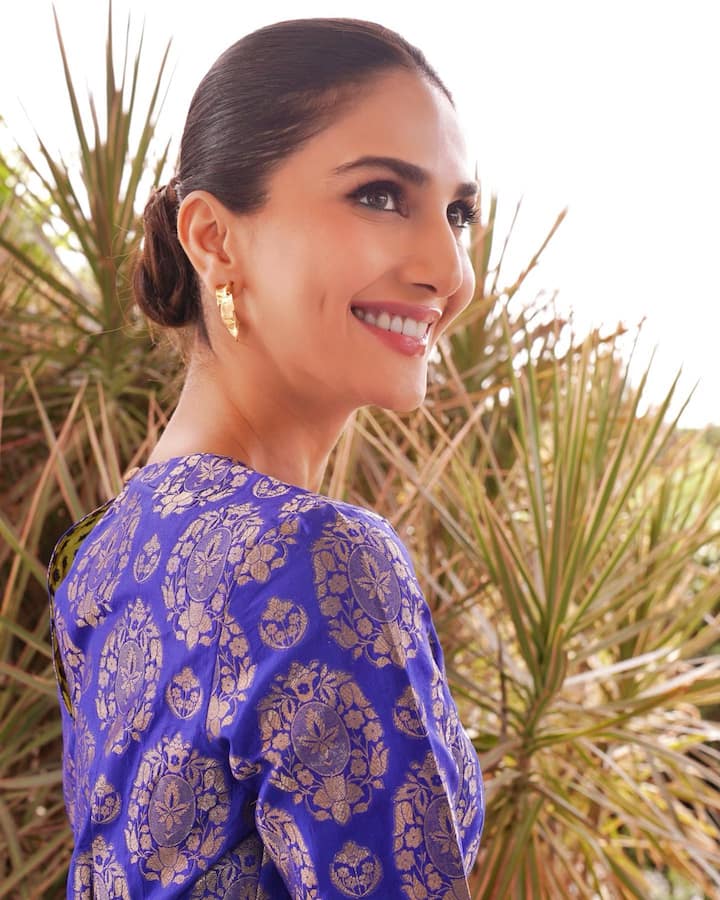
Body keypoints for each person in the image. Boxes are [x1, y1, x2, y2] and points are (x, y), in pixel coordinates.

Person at [47, 17, 484, 898]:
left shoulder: (101, 554)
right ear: (214, 239)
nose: (448, 268)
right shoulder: (317, 557)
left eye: (459, 213)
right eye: (379, 195)